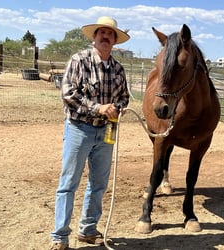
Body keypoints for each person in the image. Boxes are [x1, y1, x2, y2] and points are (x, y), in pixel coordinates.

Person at [50, 16, 130, 250]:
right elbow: (68, 94)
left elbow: (124, 97)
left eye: (110, 34)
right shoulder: (79, 60)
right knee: (68, 183)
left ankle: (87, 229)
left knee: (98, 184)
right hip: (79, 129)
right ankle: (60, 236)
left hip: (105, 132)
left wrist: (119, 109)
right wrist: (98, 108)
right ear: (94, 37)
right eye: (101, 33)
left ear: (114, 40)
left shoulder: (118, 68)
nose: (105, 36)